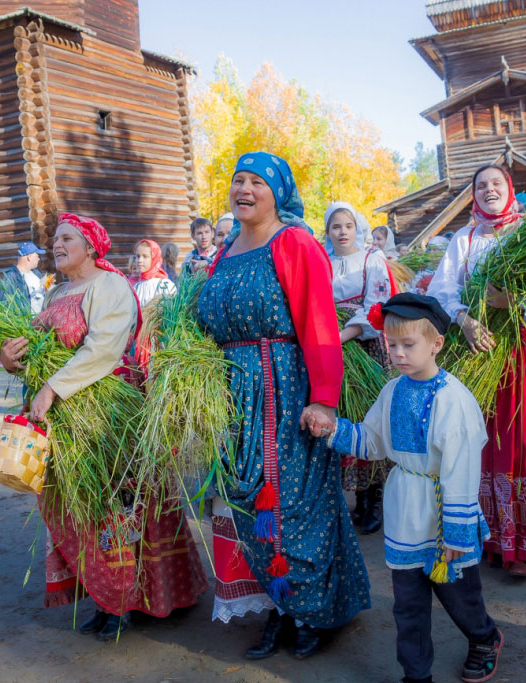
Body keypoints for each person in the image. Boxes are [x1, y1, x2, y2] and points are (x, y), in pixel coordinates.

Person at [0, 213, 207, 641]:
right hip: (64, 415)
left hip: (106, 414)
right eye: (55, 240)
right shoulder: (57, 291)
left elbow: (103, 349)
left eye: (67, 238)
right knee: (77, 505)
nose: (57, 245)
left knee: (116, 505)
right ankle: (104, 594)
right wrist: (10, 358)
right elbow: (38, 348)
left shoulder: (109, 285)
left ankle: (125, 598)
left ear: (91, 247)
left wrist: (52, 388)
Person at [197, 153, 370, 660]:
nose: (244, 189)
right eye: (238, 180)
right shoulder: (225, 251)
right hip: (234, 398)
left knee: (294, 504)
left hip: (285, 389)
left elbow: (319, 324)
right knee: (250, 506)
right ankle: (282, 604)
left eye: (257, 182)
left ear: (278, 193)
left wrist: (324, 400)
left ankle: (314, 611)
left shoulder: (293, 242)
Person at [329, 293, 503, 683]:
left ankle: (484, 637)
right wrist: (332, 430)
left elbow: (462, 469)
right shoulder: (392, 391)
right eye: (392, 345)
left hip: (443, 513)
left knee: (459, 595)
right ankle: (416, 675)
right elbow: (372, 442)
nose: (398, 354)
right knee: (408, 604)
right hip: (405, 508)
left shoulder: (454, 400)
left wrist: (456, 532)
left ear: (436, 344)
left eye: (408, 345)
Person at [428, 164, 526, 578]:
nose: (488, 189)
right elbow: (442, 289)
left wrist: (514, 302)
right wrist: (464, 320)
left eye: (496, 183)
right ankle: (495, 536)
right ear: (473, 195)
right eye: (481, 185)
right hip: (482, 349)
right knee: (487, 437)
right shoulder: (465, 238)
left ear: (510, 189)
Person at [325, 201, 397, 534]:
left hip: (364, 347)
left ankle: (374, 499)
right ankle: (352, 498)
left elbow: (376, 307)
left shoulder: (372, 260)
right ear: (327, 231)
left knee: (368, 417)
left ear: (357, 228)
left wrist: (342, 336)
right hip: (331, 347)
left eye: (348, 226)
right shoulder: (322, 262)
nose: (342, 232)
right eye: (336, 226)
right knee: (341, 416)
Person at [0, 242, 47, 315]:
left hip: (43, 318)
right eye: (37, 256)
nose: (39, 259)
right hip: (28, 320)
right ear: (30, 257)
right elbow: (5, 303)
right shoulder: (11, 276)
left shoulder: (36, 273)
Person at [131, 239, 177, 308]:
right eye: (138, 256)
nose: (139, 260)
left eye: (145, 256)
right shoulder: (136, 287)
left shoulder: (164, 285)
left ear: (154, 258)